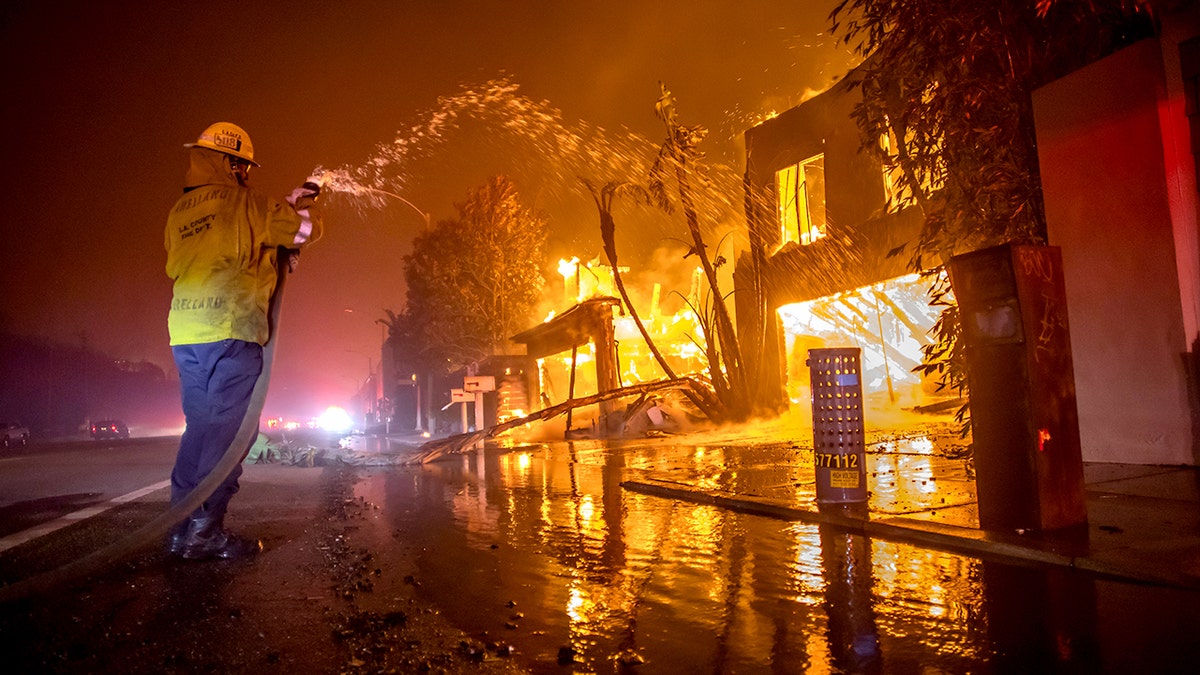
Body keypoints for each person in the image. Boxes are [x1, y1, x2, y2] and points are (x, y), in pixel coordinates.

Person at [164, 122, 322, 560]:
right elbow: (303, 232)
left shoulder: (180, 211)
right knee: (230, 436)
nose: (247, 174)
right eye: (244, 166)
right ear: (233, 164)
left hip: (186, 334)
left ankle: (179, 528)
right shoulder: (247, 203)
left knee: (199, 430)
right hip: (231, 331)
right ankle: (203, 533)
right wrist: (302, 204)